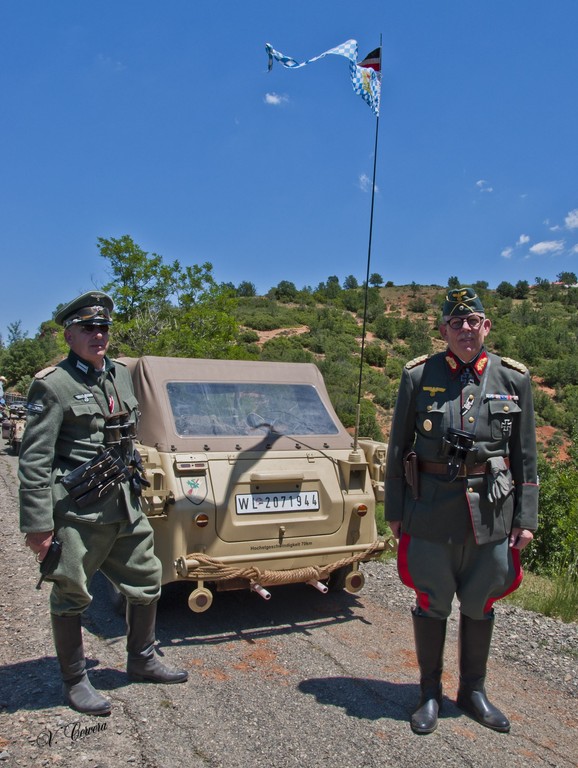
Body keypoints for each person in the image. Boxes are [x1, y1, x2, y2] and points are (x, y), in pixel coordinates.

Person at [19, 291, 187, 716]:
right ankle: (75, 681)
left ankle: (142, 658)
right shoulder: (53, 385)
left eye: (104, 328)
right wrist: (38, 526)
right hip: (79, 512)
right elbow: (35, 459)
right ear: (70, 334)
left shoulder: (119, 375)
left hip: (124, 504)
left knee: (149, 578)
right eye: (89, 329)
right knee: (71, 592)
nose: (99, 335)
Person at [384, 286, 538, 735]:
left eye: (473, 322)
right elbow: (399, 449)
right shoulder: (418, 376)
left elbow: (525, 455)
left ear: (486, 326)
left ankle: (472, 691)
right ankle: (428, 693)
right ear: (443, 330)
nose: (466, 330)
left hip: (492, 512)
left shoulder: (514, 379)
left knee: (479, 601)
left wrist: (526, 518)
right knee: (432, 602)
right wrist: (395, 508)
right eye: (457, 323)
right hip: (430, 509)